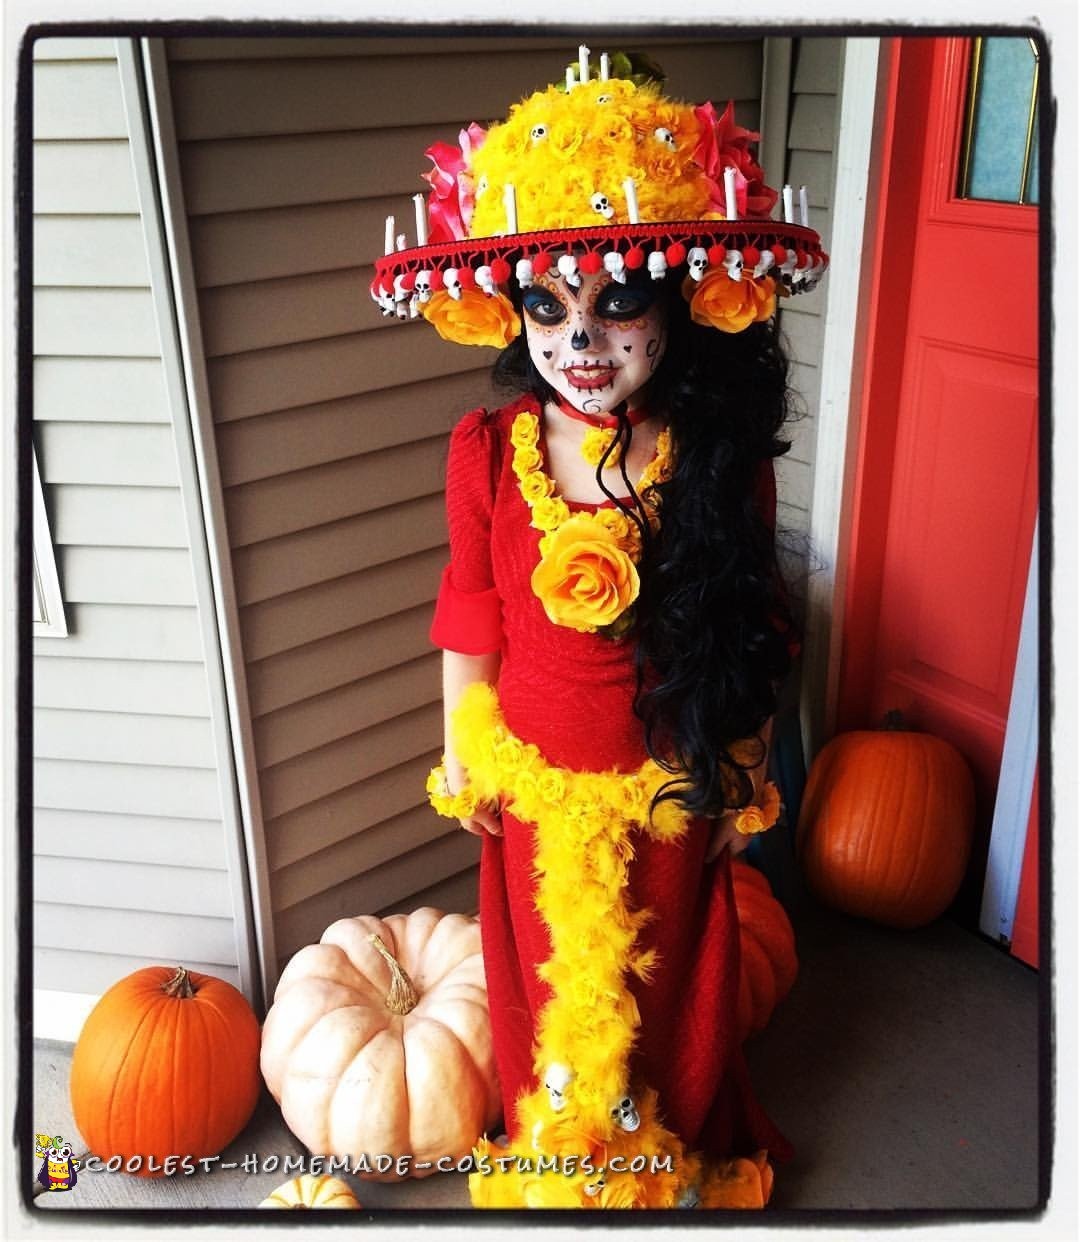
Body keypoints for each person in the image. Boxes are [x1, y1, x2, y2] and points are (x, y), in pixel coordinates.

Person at [371, 51, 827, 1210]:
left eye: (618, 300)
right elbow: (469, 611)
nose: (582, 340)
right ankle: (558, 1149)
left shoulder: (714, 461)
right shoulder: (488, 454)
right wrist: (465, 745)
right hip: (534, 776)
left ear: (676, 300)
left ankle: (657, 1153)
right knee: (540, 977)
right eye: (547, 305)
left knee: (667, 980)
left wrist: (733, 771)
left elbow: (751, 625)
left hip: (666, 772)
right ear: (511, 311)